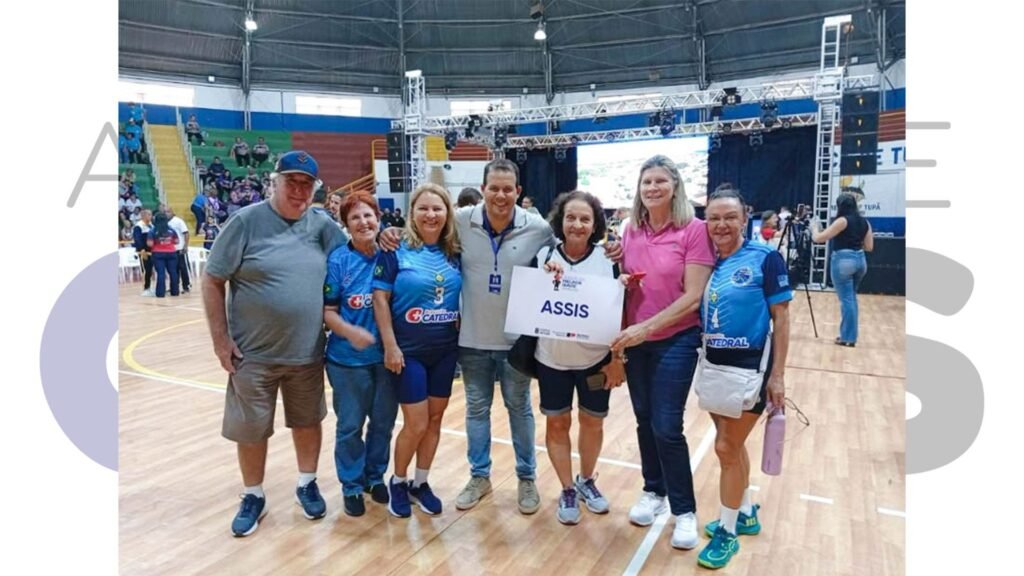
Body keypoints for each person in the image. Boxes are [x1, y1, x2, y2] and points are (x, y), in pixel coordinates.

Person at [201, 151, 346, 537]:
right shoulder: (245, 222)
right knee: (250, 429)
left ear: (315, 189)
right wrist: (220, 340)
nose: (298, 191)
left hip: (307, 352)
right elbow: (212, 279)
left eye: (306, 184)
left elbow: (353, 258)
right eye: (291, 182)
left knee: (308, 420)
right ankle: (253, 495)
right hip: (252, 355)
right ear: (274, 182)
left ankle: (307, 483)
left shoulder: (323, 225)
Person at [609, 155, 714, 550]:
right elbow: (628, 284)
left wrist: (646, 328)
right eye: (646, 182)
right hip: (637, 343)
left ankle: (684, 510)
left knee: (667, 426)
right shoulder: (630, 230)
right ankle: (654, 490)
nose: (652, 188)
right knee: (643, 419)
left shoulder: (694, 230)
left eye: (660, 181)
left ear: (675, 186)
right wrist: (620, 277)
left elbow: (694, 296)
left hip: (676, 340)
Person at [694, 187, 792, 570]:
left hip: (752, 370)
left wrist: (778, 376)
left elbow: (782, 318)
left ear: (744, 218)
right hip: (714, 367)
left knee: (724, 447)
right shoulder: (708, 262)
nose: (721, 225)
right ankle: (746, 512)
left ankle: (728, 532)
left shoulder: (765, 258)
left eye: (729, 217)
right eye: (714, 218)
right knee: (732, 447)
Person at [532, 191, 626, 525]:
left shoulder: (609, 259)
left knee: (592, 422)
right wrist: (545, 279)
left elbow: (620, 312)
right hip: (552, 359)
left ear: (595, 224)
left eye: (585, 219)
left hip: (595, 360)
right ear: (560, 221)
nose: (577, 224)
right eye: (571, 217)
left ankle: (586, 480)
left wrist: (617, 359)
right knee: (557, 423)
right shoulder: (543, 256)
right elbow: (530, 304)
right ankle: (567, 488)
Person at [373, 183, 462, 518]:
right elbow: (380, 299)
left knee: (435, 419)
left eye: (437, 208)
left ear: (447, 213)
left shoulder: (455, 252)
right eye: (423, 208)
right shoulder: (395, 250)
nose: (431, 214)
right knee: (416, 423)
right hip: (408, 352)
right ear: (412, 213)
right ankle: (398, 480)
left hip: (445, 351)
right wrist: (390, 345)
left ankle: (420, 483)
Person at [323, 192, 398, 517]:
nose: (363, 222)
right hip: (347, 361)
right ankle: (351, 485)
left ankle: (374, 476)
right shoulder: (339, 261)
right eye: (355, 218)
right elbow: (328, 312)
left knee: (383, 423)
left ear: (378, 218)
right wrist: (350, 332)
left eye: (368, 215)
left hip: (388, 359)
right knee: (350, 426)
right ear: (346, 224)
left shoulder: (392, 253)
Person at [811, 192, 873, 347]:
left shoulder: (842, 221)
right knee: (851, 298)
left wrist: (814, 228)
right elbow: (869, 247)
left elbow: (819, 238)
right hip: (861, 261)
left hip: (843, 261)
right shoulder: (865, 222)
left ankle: (848, 338)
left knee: (846, 300)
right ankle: (849, 335)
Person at [147, 212, 180, 298]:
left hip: (158, 254)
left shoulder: (153, 231)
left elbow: (150, 244)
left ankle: (160, 293)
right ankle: (175, 291)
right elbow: (177, 241)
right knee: (173, 272)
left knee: (161, 273)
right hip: (171, 253)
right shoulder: (171, 230)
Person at [164, 206, 191, 294]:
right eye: (165, 212)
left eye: (168, 212)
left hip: (180, 248)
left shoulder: (178, 221)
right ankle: (174, 286)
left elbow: (186, 233)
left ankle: (186, 286)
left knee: (183, 268)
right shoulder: (164, 223)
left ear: (172, 212)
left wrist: (185, 246)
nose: (166, 214)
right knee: (172, 269)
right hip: (170, 250)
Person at [132, 209, 155, 296]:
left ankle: (149, 287)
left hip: (152, 251)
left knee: (150, 270)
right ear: (143, 216)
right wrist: (142, 250)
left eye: (151, 214)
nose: (151, 216)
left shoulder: (151, 225)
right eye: (149, 214)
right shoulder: (139, 226)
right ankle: (145, 289)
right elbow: (137, 239)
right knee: (146, 270)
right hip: (143, 252)